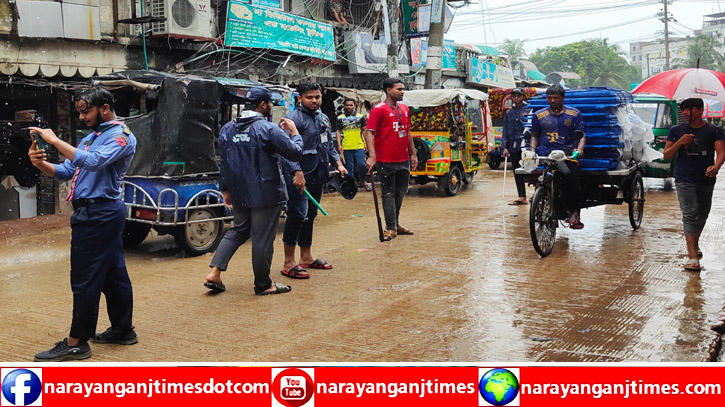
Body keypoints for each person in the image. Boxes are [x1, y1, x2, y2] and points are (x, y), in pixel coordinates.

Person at [27, 88, 137, 361]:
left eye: (85, 110)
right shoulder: (91, 138)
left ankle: (77, 340)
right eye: (79, 111)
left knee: (84, 277)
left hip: (100, 214)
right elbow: (67, 170)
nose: (81, 116)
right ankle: (123, 330)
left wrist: (54, 140)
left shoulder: (121, 135)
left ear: (104, 108)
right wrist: (40, 163)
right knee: (113, 274)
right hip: (95, 214)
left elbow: (94, 162)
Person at [204, 87, 304, 295]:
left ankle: (215, 272)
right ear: (263, 104)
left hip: (239, 191)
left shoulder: (227, 129)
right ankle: (263, 284)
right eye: (270, 103)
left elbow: (225, 163)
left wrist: (225, 189)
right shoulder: (267, 129)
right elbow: (295, 153)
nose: (271, 107)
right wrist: (294, 134)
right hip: (266, 193)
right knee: (262, 238)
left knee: (238, 230)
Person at [280, 83, 347, 278]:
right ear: (299, 98)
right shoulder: (292, 119)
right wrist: (296, 172)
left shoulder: (323, 118)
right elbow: (286, 149)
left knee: (310, 214)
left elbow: (329, 145)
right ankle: (288, 262)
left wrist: (338, 163)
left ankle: (306, 257)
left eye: (317, 97)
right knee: (296, 216)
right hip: (299, 175)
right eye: (310, 97)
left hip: (318, 173)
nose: (315, 100)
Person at [662, 98, 725, 272]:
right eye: (684, 110)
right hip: (684, 178)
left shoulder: (714, 130)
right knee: (689, 213)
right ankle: (692, 255)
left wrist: (717, 166)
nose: (686, 113)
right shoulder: (676, 131)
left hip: (706, 178)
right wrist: (680, 142)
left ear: (700, 110)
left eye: (689, 110)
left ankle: (694, 243)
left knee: (703, 213)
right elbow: (667, 155)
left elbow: (721, 152)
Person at [364, 77, 418, 241]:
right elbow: (369, 132)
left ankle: (395, 224)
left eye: (403, 89)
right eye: (399, 89)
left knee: (400, 192)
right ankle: (391, 227)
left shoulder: (405, 108)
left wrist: (413, 153)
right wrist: (372, 156)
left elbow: (407, 131)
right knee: (388, 193)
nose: (402, 92)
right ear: (388, 90)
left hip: (403, 158)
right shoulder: (378, 109)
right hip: (386, 159)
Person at [529, 85, 586, 229]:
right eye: (549, 97)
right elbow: (534, 135)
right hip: (546, 154)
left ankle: (573, 212)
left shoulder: (574, 114)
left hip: (566, 154)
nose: (552, 100)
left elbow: (582, 135)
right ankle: (541, 199)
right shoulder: (539, 115)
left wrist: (579, 149)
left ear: (563, 98)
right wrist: (531, 150)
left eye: (556, 97)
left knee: (571, 179)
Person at [336, 98, 371, 191]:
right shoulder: (340, 118)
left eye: (351, 105)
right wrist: (339, 145)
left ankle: (363, 181)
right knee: (349, 167)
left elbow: (364, 131)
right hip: (346, 147)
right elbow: (338, 132)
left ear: (354, 106)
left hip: (359, 145)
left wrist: (367, 143)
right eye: (347, 105)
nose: (349, 107)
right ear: (344, 106)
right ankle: (352, 185)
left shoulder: (360, 117)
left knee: (362, 164)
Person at [502, 88, 530, 205]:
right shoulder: (509, 112)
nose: (516, 98)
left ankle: (539, 194)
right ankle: (522, 196)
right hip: (513, 146)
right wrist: (505, 146)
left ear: (523, 96)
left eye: (519, 96)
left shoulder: (528, 109)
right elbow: (505, 130)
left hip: (527, 146)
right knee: (517, 171)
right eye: (514, 96)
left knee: (531, 170)